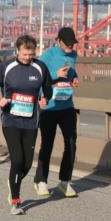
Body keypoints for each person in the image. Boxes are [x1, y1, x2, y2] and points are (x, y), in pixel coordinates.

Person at [0, 35, 52, 215]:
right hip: (11, 121)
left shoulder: (39, 67)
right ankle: (15, 200)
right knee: (16, 160)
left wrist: (45, 98)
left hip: (31, 122)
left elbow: (48, 88)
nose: (27, 57)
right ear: (17, 50)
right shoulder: (6, 67)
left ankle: (13, 180)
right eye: (24, 54)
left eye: (30, 54)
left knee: (26, 164)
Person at [35, 27, 81, 198]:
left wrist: (74, 78)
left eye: (72, 45)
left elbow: (71, 72)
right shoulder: (48, 55)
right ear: (59, 41)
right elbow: (37, 76)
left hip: (67, 105)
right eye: (67, 45)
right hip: (49, 107)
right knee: (47, 144)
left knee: (71, 143)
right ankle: (41, 181)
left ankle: (65, 181)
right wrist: (56, 74)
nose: (70, 48)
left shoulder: (73, 55)